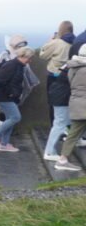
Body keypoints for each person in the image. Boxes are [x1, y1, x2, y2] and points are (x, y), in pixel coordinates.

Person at [0, 47, 35, 152]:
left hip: (11, 97)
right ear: (22, 56)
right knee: (15, 117)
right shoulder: (11, 65)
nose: (30, 61)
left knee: (10, 119)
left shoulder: (19, 66)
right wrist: (11, 94)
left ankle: (4, 144)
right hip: (4, 97)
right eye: (29, 58)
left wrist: (15, 95)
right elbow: (1, 81)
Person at [40, 23, 75, 159]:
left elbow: (43, 55)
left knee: (55, 109)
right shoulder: (75, 41)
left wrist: (50, 41)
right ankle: (69, 133)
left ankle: (55, 138)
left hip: (55, 76)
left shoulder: (57, 42)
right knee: (69, 108)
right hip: (70, 76)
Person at [53, 48, 86, 171]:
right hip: (84, 104)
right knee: (74, 133)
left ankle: (62, 159)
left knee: (73, 134)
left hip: (76, 103)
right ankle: (62, 160)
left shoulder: (72, 67)